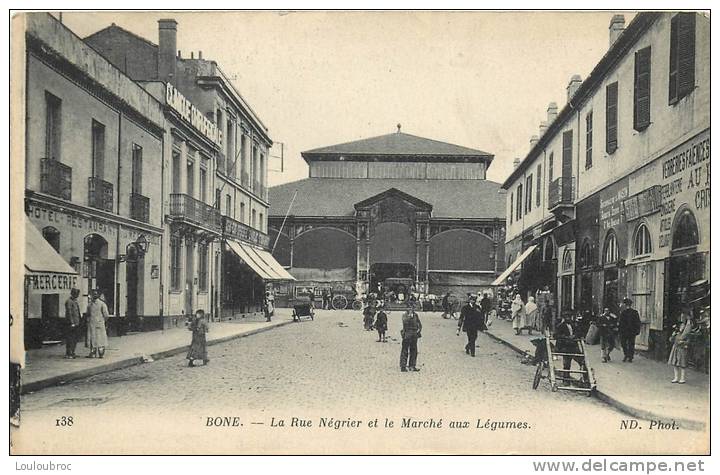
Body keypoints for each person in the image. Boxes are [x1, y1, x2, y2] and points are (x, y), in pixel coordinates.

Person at [668, 309, 694, 384]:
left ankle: (682, 378)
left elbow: (688, 337)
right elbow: (671, 339)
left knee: (682, 363)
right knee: (675, 362)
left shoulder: (688, 326)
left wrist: (684, 342)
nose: (682, 317)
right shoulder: (678, 329)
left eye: (684, 316)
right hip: (675, 346)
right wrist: (673, 335)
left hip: (682, 347)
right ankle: (676, 377)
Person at [86, 289, 109, 358]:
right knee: (92, 338)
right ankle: (92, 352)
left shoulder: (102, 304)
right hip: (92, 324)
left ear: (98, 295)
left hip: (99, 324)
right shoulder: (89, 304)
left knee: (100, 338)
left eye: (96, 294)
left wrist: (102, 321)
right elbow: (88, 314)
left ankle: (101, 352)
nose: (94, 296)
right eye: (93, 294)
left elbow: (106, 315)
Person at [400, 302, 422, 372]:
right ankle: (403, 366)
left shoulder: (416, 315)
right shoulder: (405, 315)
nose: (410, 309)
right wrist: (409, 317)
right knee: (405, 350)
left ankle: (412, 365)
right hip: (407, 334)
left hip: (414, 334)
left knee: (414, 350)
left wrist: (419, 330)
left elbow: (419, 324)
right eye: (409, 307)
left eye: (412, 307)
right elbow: (405, 323)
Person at [618, 298, 641, 362]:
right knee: (625, 344)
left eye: (628, 304)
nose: (627, 306)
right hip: (625, 331)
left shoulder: (634, 312)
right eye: (626, 304)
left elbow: (637, 322)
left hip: (631, 331)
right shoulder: (623, 313)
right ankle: (627, 355)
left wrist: (637, 330)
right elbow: (621, 323)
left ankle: (629, 356)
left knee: (630, 344)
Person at [64, 288, 81, 359]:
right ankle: (69, 353)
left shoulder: (75, 301)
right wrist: (72, 322)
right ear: (73, 294)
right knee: (70, 338)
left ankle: (72, 352)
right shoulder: (69, 301)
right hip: (71, 323)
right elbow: (69, 313)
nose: (77, 295)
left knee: (75, 338)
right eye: (76, 294)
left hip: (76, 322)